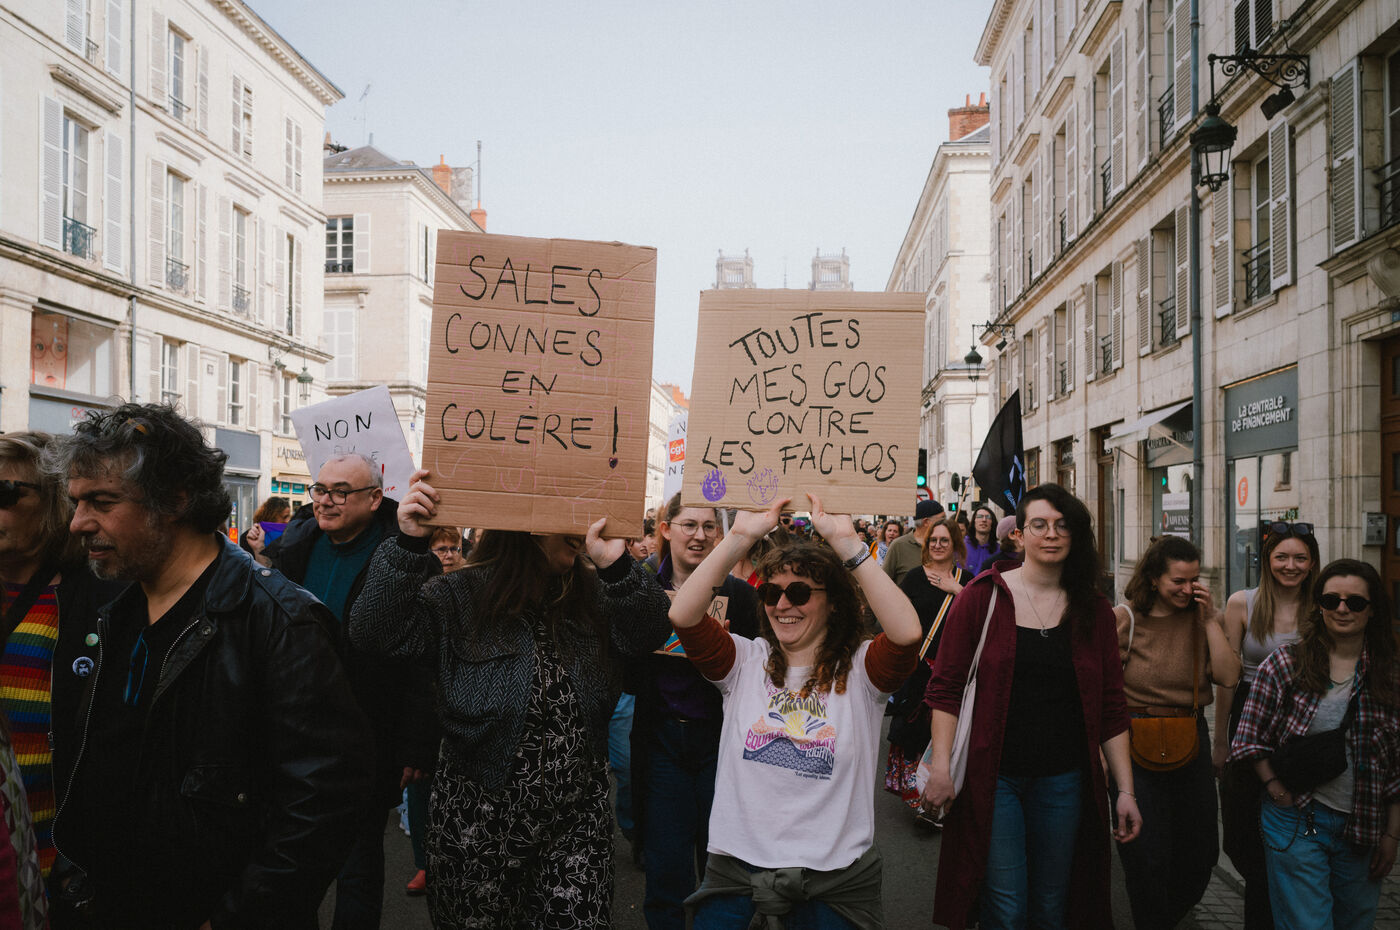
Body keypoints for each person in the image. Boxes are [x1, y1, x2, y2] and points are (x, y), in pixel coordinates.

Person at [47, 403, 372, 928]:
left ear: (176, 499)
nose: (78, 523)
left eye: (102, 502)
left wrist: (234, 919)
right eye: (76, 502)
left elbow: (323, 803)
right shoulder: (117, 614)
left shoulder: (280, 620)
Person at [349, 469, 672, 927]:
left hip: (574, 827)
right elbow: (374, 632)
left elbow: (650, 632)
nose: (580, 527)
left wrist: (617, 568)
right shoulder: (456, 596)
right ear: (527, 523)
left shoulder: (595, 595)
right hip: (476, 830)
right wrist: (406, 545)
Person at [668, 494, 922, 926]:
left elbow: (906, 633)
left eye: (800, 592)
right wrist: (739, 536)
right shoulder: (744, 661)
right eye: (771, 592)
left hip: (832, 885)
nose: (783, 604)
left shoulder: (862, 669)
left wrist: (847, 543)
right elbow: (683, 615)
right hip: (737, 877)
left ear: (834, 602)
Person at [923, 483, 1142, 930]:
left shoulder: (1094, 610)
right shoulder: (982, 597)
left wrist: (1125, 790)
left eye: (1062, 525)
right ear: (1019, 534)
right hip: (995, 778)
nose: (1051, 534)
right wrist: (941, 767)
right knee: (1006, 907)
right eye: (1039, 524)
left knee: (1051, 904)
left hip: (1064, 780)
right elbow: (945, 689)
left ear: (1075, 534)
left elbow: (1111, 705)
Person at [251, 453, 437, 930]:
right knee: (288, 858)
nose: (325, 501)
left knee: (357, 863)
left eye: (340, 491)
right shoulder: (295, 548)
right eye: (320, 489)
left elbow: (424, 660)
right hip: (292, 730)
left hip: (367, 732)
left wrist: (416, 742)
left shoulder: (406, 558)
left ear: (374, 499)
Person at [1229, 558, 1400, 930]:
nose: (1342, 609)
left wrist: (1392, 833)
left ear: (1372, 610)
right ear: (1319, 605)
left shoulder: (1388, 674)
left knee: (1354, 922)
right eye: (1331, 600)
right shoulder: (1285, 663)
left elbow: (1396, 767)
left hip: (1363, 826)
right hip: (1297, 819)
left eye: (1355, 602)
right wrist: (1276, 790)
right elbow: (1248, 739)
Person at [631, 494, 759, 929]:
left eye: (708, 527)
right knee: (666, 865)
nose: (699, 536)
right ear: (666, 529)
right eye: (689, 525)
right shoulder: (643, 589)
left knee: (721, 864)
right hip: (662, 741)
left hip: (721, 744)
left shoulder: (741, 596)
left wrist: (727, 650)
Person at [1113, 535, 1241, 930]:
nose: (1187, 589)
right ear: (1154, 579)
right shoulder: (1126, 618)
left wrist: (1210, 620)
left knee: (1201, 853)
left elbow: (1228, 676)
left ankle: (1164, 918)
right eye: (1178, 581)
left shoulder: (1204, 620)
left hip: (1190, 736)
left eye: (1193, 580)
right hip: (1135, 740)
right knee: (1146, 855)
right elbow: (1102, 691)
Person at [1212, 524, 1317, 929]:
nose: (1291, 566)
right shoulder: (1242, 602)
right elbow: (1228, 677)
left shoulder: (1322, 606)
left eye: (1300, 558)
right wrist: (1220, 740)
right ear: (1267, 560)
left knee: (1287, 828)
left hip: (1302, 725)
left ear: (1312, 563)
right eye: (1282, 557)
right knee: (1240, 832)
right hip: (1249, 716)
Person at [884, 514, 972, 813]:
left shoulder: (967, 581)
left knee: (943, 737)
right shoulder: (914, 577)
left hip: (952, 670)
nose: (937, 545)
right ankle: (918, 799)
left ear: (954, 544)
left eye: (944, 540)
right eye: (933, 540)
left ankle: (938, 793)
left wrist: (956, 591)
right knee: (914, 733)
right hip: (918, 668)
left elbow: (980, 618)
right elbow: (897, 617)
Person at [402, 527, 467, 898]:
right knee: (422, 785)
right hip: (425, 699)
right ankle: (424, 864)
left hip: (462, 699)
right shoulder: (419, 589)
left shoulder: (470, 584)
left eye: (453, 548)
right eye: (441, 548)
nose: (449, 554)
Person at [883, 500, 944, 582]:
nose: (945, 522)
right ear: (926, 522)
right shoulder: (898, 546)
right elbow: (883, 581)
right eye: (942, 519)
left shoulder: (946, 545)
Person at [962, 506, 998, 577]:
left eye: (988, 517)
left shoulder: (998, 550)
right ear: (974, 521)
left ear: (992, 522)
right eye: (980, 516)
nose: (984, 520)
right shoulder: (962, 546)